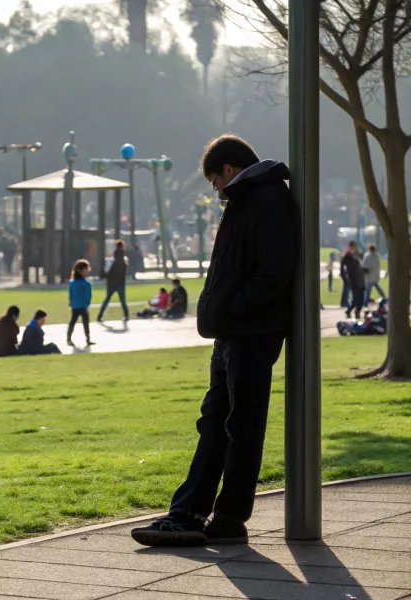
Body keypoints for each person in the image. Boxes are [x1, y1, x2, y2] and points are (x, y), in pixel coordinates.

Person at [131, 134, 296, 547]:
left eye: (214, 182)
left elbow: (273, 272)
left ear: (228, 170)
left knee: (241, 426)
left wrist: (233, 309)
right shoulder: (247, 202)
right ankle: (187, 512)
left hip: (250, 331)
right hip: (233, 332)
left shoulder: (265, 201)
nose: (215, 191)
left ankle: (228, 518)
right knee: (216, 423)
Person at [97, 240, 129, 322]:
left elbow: (106, 272)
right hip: (120, 283)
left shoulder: (111, 260)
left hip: (111, 283)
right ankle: (126, 315)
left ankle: (99, 315)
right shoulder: (123, 261)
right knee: (123, 301)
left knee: (107, 299)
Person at [67, 259, 94, 347]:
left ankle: (69, 338)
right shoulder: (86, 283)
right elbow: (88, 295)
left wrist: (71, 302)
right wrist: (87, 303)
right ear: (80, 271)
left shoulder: (72, 282)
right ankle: (87, 339)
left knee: (73, 322)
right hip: (82, 306)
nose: (87, 272)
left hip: (76, 306)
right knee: (85, 322)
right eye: (86, 270)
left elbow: (70, 294)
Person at [341, 240, 365, 319]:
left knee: (359, 298)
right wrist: (345, 279)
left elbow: (361, 266)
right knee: (357, 298)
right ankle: (355, 311)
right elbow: (343, 269)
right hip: (354, 280)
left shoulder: (358, 255)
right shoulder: (348, 257)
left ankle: (351, 311)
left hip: (360, 279)